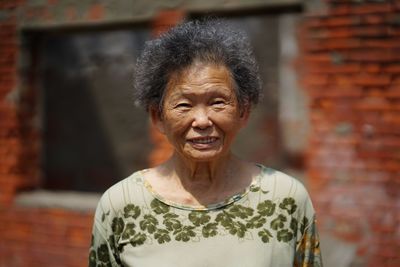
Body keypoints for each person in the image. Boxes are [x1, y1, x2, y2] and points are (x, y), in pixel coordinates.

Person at [89, 19, 322, 267]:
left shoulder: (286, 198)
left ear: (243, 112)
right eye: (184, 105)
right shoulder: (120, 204)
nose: (202, 121)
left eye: (217, 102)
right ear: (158, 117)